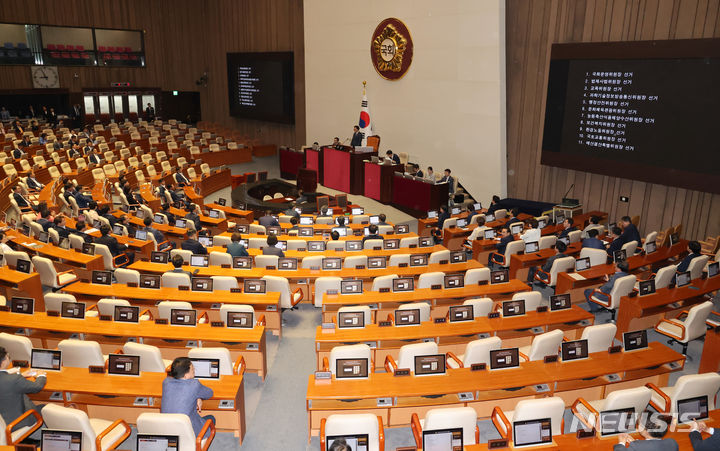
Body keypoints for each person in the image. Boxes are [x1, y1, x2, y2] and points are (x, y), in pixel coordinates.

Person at [161, 357, 214, 438]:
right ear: (186, 376)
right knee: (211, 419)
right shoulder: (194, 385)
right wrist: (198, 395)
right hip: (188, 432)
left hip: (168, 430)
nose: (194, 371)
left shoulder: (166, 382)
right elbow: (210, 393)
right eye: (193, 370)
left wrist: (197, 396)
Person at [0, 346, 47, 436]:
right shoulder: (14, 380)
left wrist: (19, 375)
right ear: (3, 361)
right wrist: (41, 376)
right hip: (15, 423)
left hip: (3, 420)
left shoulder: (12, 379)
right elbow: (37, 387)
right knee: (44, 408)